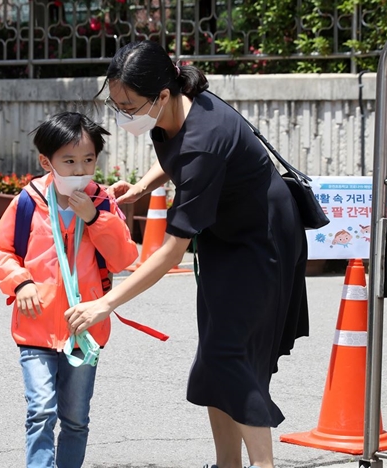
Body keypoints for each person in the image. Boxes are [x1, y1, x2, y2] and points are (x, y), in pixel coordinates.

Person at [64, 41, 309, 468]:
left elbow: (169, 250)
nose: (122, 115)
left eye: (128, 105)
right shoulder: (177, 106)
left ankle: (263, 466)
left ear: (161, 95)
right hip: (224, 236)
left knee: (231, 360)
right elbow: (174, 152)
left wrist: (105, 303)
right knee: (217, 359)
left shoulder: (203, 143)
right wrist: (142, 186)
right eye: (116, 104)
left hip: (259, 244)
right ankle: (227, 463)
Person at [0, 111, 139, 468]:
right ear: (47, 161)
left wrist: (94, 218)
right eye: (69, 161)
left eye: (88, 160)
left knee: (75, 419)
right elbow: (2, 250)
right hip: (35, 326)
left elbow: (123, 258)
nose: (79, 169)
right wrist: (20, 281)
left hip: (84, 331)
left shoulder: (102, 202)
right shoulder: (28, 201)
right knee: (41, 410)